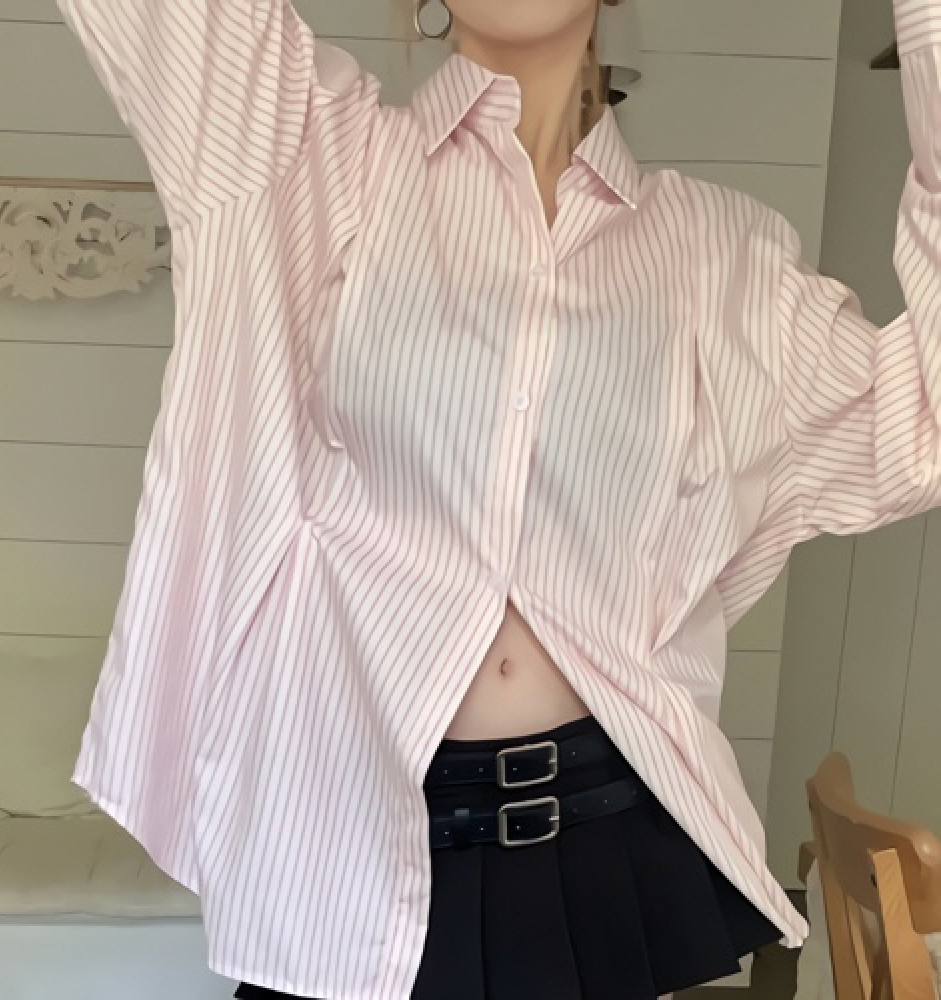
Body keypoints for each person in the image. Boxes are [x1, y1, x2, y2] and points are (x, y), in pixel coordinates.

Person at [55, 0, 941, 997]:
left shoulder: (722, 254)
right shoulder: (307, 152)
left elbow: (917, 420)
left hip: (603, 847)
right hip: (345, 850)